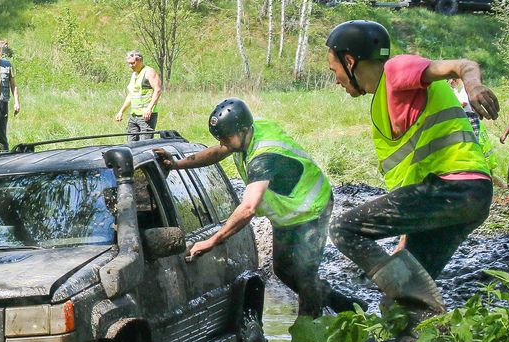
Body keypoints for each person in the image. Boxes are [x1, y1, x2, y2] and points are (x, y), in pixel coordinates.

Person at [323, 20, 498, 315]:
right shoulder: (384, 98)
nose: (337, 81)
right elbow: (412, 179)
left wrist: (474, 86)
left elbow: (463, 65)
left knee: (343, 228)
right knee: (400, 307)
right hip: (465, 197)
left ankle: (421, 302)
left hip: (451, 188)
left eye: (334, 71)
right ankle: (423, 325)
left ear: (350, 61)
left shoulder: (395, 70)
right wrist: (403, 245)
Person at [153, 98, 360, 318]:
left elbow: (248, 208)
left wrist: (212, 240)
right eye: (220, 138)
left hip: (312, 209)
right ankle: (348, 307)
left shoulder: (263, 157)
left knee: (304, 276)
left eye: (226, 138)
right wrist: (178, 164)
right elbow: (218, 152)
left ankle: (311, 331)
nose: (223, 142)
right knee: (282, 270)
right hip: (288, 213)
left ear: (243, 130)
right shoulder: (248, 129)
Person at [115, 50, 162, 141]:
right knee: (131, 144)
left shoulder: (149, 72)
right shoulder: (134, 74)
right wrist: (121, 111)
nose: (131, 66)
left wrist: (149, 109)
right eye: (129, 63)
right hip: (134, 116)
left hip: (146, 116)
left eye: (133, 63)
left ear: (140, 60)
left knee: (144, 144)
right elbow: (131, 95)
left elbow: (158, 90)